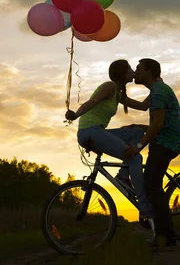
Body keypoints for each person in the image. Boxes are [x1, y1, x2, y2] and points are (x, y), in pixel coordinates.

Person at [65, 59, 153, 219]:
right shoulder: (110, 87)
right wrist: (75, 115)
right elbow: (91, 103)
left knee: (136, 132)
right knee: (135, 158)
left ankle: (124, 176)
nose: (133, 71)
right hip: (90, 131)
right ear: (122, 73)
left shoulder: (117, 94)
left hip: (97, 131)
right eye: (130, 69)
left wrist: (156, 87)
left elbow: (143, 107)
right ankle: (145, 206)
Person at [124, 58, 180, 247]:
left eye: (139, 68)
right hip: (165, 140)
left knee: (151, 185)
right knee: (152, 184)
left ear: (149, 71)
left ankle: (167, 237)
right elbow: (143, 107)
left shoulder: (158, 91)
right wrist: (118, 97)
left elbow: (157, 124)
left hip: (165, 142)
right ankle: (160, 230)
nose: (135, 71)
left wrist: (139, 145)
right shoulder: (158, 89)